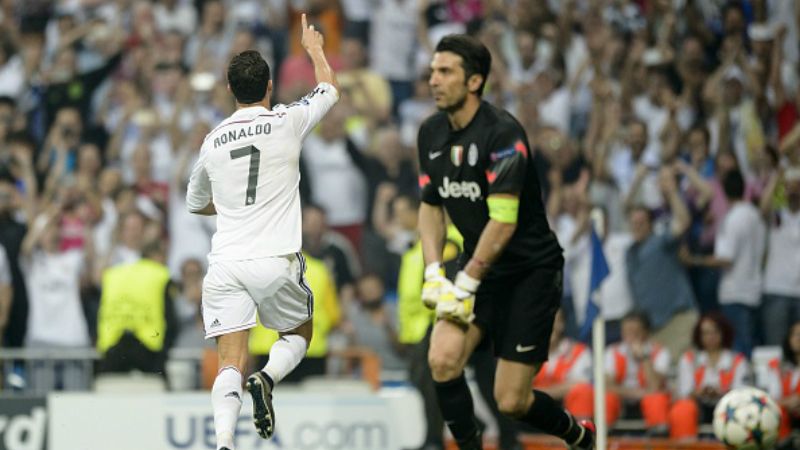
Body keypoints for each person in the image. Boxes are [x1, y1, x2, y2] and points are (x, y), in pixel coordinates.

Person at [416, 34, 594, 450]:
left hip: (530, 271)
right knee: (441, 360)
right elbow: (430, 206)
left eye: (445, 72)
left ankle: (579, 436)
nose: (434, 81)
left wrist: (467, 282)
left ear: (474, 81)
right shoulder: (429, 133)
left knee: (511, 400)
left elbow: (503, 223)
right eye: (431, 72)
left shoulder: (503, 134)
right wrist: (432, 272)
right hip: (478, 264)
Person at [185, 15, 339, 450]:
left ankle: (224, 442)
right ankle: (267, 378)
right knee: (298, 335)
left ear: (230, 91)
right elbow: (330, 89)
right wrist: (313, 50)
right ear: (270, 87)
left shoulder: (213, 140)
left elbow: (195, 203)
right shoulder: (287, 120)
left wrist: (230, 204)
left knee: (228, 362)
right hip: (274, 259)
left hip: (226, 264)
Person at [669, 313, 750, 440]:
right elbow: (684, 393)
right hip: (699, 406)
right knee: (682, 408)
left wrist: (722, 392)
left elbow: (742, 393)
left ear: (723, 333)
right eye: (705, 333)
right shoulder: (689, 359)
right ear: (699, 336)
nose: (710, 337)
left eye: (715, 332)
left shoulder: (738, 360)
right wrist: (700, 392)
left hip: (727, 407)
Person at [604, 311, 671, 435]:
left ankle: (658, 440)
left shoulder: (660, 352)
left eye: (634, 332)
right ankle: (604, 439)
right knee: (606, 398)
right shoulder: (611, 352)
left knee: (657, 399)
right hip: (623, 400)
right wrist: (637, 394)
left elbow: (655, 387)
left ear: (645, 332)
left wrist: (644, 358)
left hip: (649, 401)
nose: (629, 337)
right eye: (626, 332)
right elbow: (607, 386)